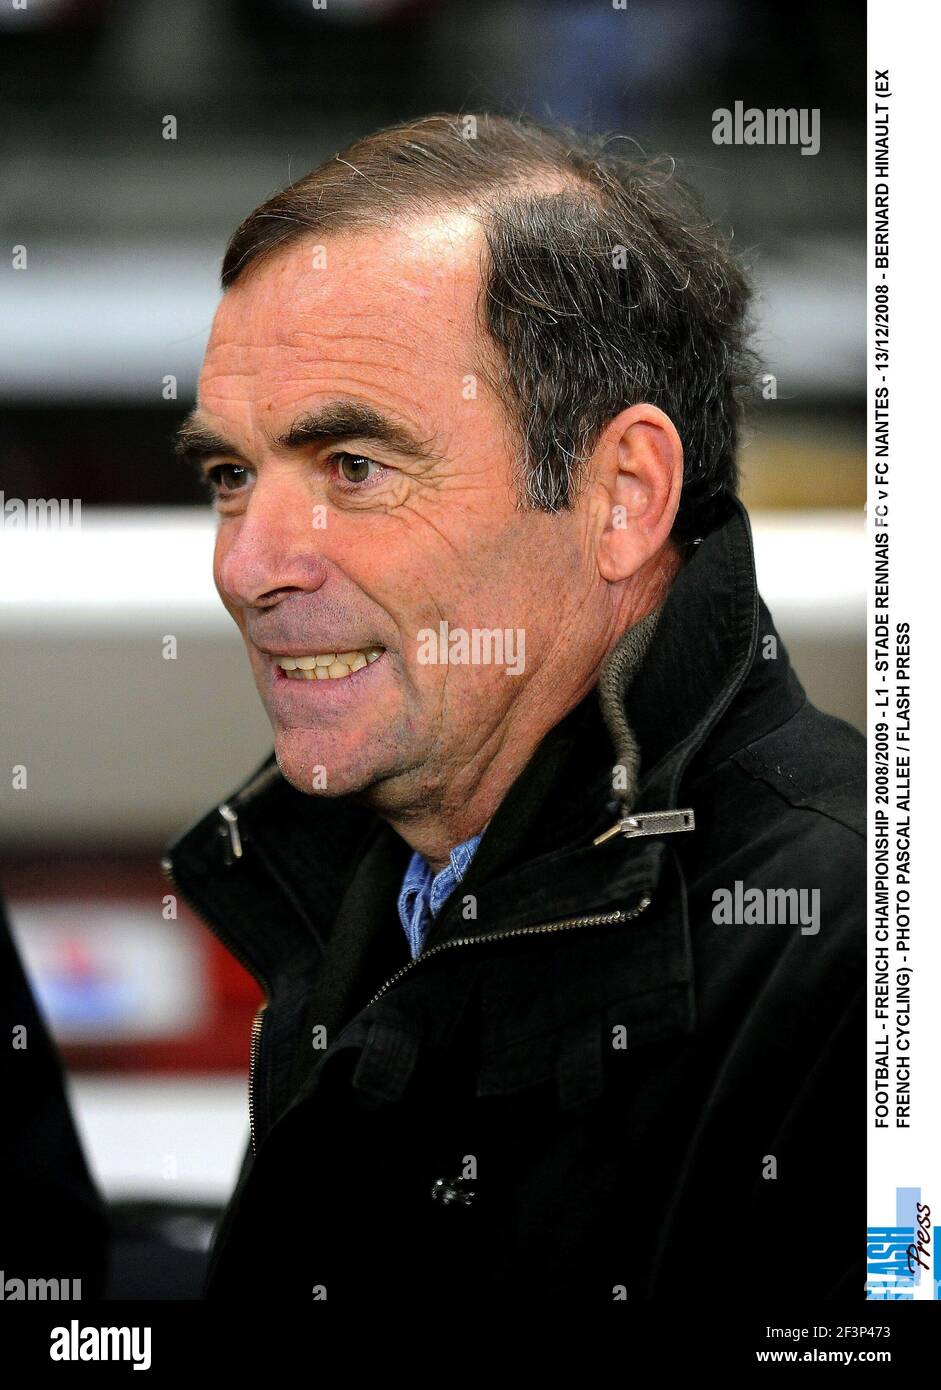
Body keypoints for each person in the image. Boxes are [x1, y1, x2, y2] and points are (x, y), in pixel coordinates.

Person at [165, 113, 864, 1304]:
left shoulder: (870, 968)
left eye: (353, 468)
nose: (249, 566)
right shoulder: (365, 886)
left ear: (620, 495)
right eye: (232, 476)